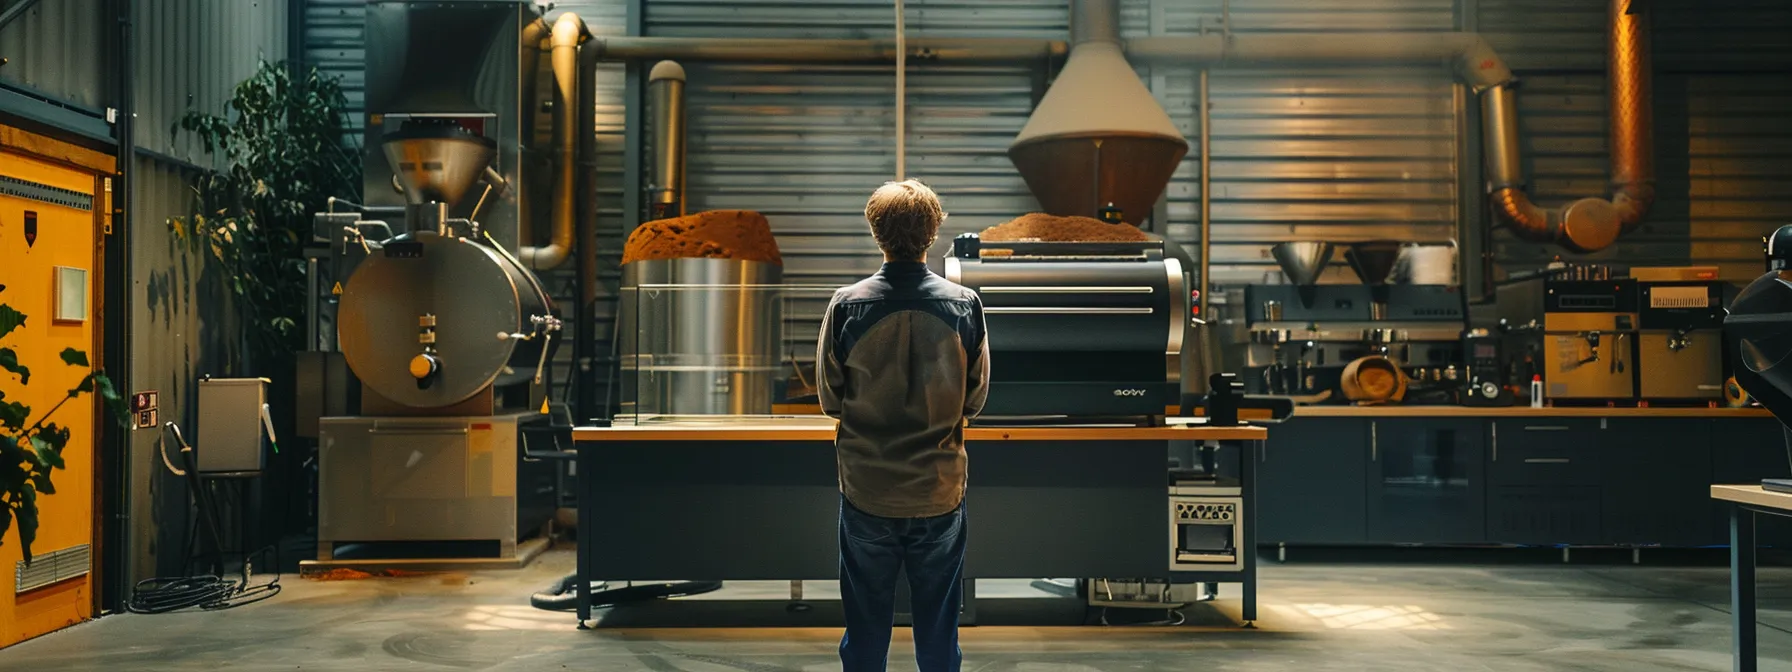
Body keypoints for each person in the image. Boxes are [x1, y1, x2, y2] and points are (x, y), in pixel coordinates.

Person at [817, 179, 990, 672]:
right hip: (939, 489)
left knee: (866, 622)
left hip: (867, 489)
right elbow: (974, 400)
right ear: (933, 233)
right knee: (939, 624)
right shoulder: (965, 305)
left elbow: (830, 399)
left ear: (876, 232)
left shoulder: (846, 304)